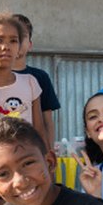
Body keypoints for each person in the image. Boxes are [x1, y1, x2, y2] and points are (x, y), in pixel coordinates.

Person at [0, 12, 45, 138]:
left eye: (13, 41)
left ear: (19, 48)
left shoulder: (30, 82)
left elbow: (39, 130)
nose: (6, 47)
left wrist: (44, 156)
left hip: (25, 155)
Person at [12, 14, 60, 151]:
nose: (17, 41)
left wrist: (49, 151)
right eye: (12, 37)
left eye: (23, 36)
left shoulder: (39, 77)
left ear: (30, 45)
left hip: (32, 150)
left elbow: (47, 121)